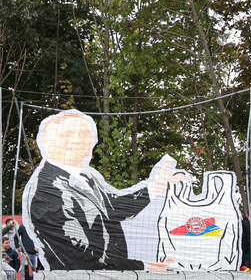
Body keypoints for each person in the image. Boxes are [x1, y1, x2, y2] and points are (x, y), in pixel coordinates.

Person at [21, 109, 185, 271]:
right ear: (49, 143)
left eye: (84, 134)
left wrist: (155, 186)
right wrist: (144, 267)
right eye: (68, 135)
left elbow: (113, 208)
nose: (78, 140)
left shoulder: (84, 177)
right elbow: (80, 257)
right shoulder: (46, 191)